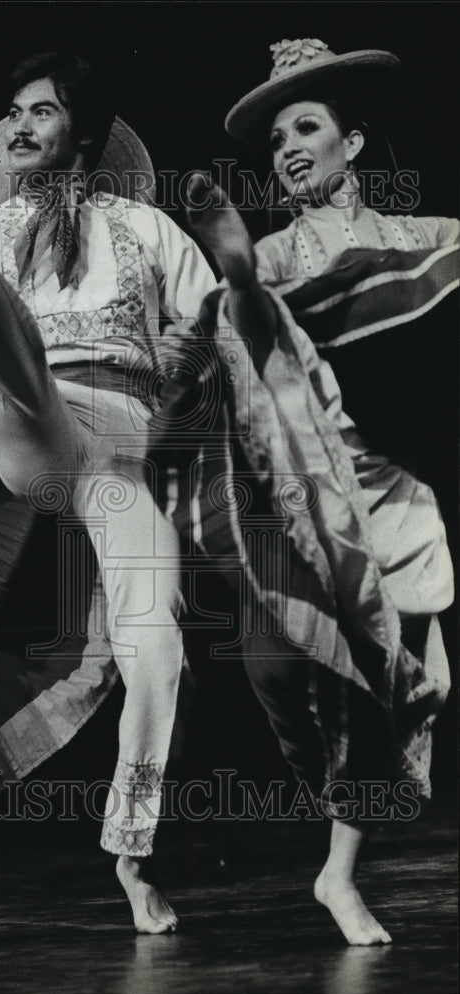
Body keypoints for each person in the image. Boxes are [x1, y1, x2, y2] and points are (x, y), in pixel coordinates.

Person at [0, 51, 217, 933]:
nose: (21, 125)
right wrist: (3, 384)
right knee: (17, 355)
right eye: (13, 112)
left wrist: (177, 378)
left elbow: (211, 322)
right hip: (35, 426)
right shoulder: (0, 227)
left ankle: (130, 853)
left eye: (41, 110)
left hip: (117, 463)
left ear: (84, 130)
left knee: (158, 650)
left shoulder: (149, 231)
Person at [183, 39, 455, 945]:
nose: (287, 147)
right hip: (304, 491)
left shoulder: (431, 242)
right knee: (279, 669)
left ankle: (337, 876)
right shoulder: (263, 256)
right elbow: (230, 372)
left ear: (355, 142)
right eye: (273, 141)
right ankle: (335, 853)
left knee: (389, 689)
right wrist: (238, 297)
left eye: (306, 126)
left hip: (393, 491)